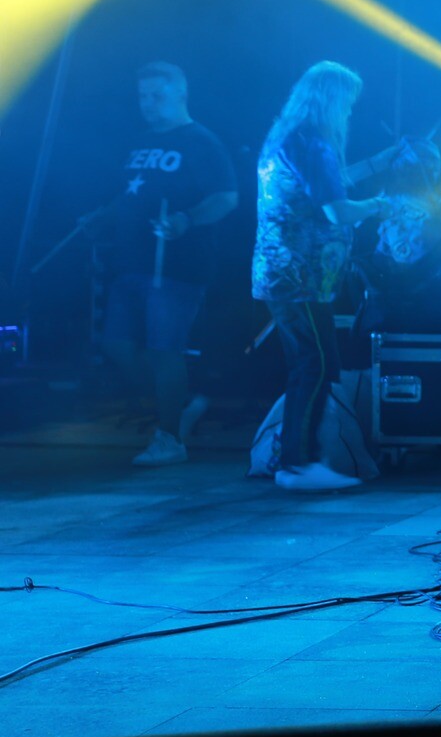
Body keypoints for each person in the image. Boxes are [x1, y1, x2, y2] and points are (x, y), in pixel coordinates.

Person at [79, 62, 238, 466]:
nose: (147, 104)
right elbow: (131, 195)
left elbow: (226, 197)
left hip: (177, 266)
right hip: (131, 263)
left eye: (157, 96)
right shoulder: (141, 141)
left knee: (164, 350)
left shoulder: (202, 142)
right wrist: (103, 216)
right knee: (116, 346)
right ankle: (180, 407)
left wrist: (186, 219)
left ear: (181, 95)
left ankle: (170, 440)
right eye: (143, 96)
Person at [251, 61, 393, 491]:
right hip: (302, 276)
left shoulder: (288, 138)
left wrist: (375, 165)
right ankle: (297, 465)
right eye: (347, 104)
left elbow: (325, 186)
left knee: (310, 364)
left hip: (284, 272)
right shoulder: (313, 144)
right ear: (331, 100)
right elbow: (337, 209)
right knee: (314, 365)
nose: (348, 113)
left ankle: (298, 460)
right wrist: (377, 206)